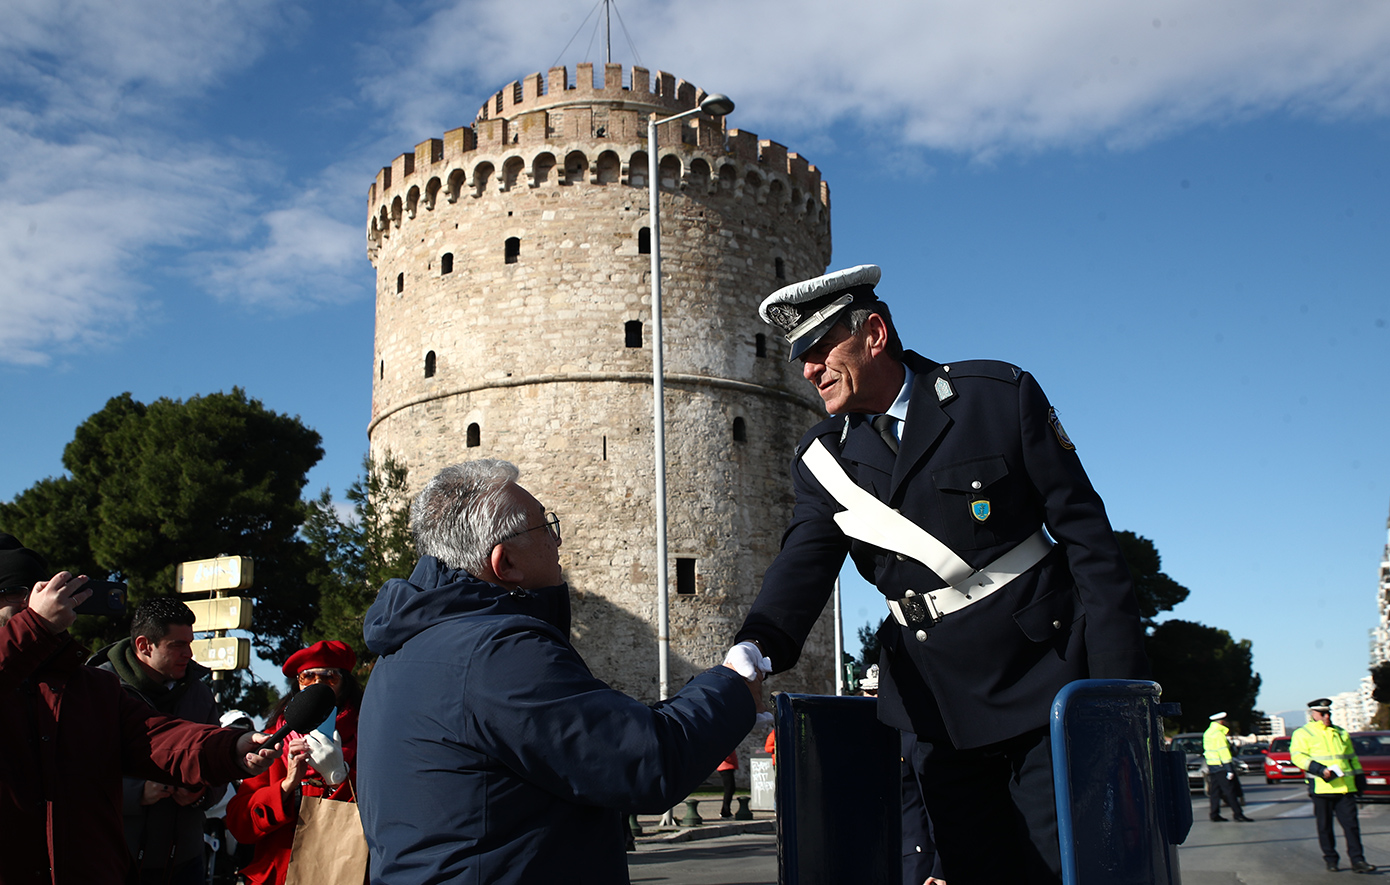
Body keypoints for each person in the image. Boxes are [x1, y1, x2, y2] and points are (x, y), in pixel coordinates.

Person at [726, 265, 1148, 885]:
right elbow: (804, 562)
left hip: (1045, 678)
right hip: (936, 706)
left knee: (1063, 865)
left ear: (874, 334)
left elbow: (1088, 539)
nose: (809, 371)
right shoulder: (821, 460)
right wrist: (755, 647)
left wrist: (1117, 693)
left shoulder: (995, 397)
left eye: (820, 350)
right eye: (803, 358)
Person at [356, 459, 760, 884]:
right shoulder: (498, 652)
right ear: (505, 563)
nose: (558, 539)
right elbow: (647, 761)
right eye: (544, 527)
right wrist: (733, 687)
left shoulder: (401, 652)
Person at [0, 532, 278, 885]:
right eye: (16, 595)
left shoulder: (91, 687)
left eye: (36, 593)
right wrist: (34, 628)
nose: (33, 604)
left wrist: (231, 747)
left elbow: (157, 737)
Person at [89, 596, 228, 885]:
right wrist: (137, 792)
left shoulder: (199, 694)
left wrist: (201, 792)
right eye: (177, 645)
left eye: (190, 643)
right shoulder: (95, 690)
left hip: (185, 861)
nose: (188, 654)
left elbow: (219, 764)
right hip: (112, 859)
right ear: (144, 645)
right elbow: (76, 774)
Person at [225, 640, 360, 885]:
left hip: (343, 872)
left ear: (345, 683)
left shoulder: (368, 734)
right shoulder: (272, 739)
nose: (318, 685)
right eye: (307, 677)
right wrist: (286, 788)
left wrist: (338, 778)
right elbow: (239, 825)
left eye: (329, 677)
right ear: (297, 685)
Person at [862, 665, 946, 885]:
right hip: (875, 855)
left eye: (879, 691)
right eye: (870, 693)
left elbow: (935, 806)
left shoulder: (911, 737)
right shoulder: (862, 741)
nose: (875, 697)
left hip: (914, 860)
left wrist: (941, 868)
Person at [1291, 698, 1377, 873]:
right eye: (1322, 713)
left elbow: (1351, 758)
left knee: (1351, 826)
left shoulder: (1341, 732)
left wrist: (1360, 777)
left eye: (1328, 713)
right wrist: (1318, 769)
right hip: (1322, 787)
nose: (1326, 716)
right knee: (1325, 826)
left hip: (1345, 787)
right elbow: (1297, 756)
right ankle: (1331, 859)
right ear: (1313, 714)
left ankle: (1358, 861)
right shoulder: (1303, 733)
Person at [1201, 711, 1251, 823]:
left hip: (1212, 766)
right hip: (1222, 766)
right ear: (1222, 722)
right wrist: (1229, 769)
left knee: (1215, 792)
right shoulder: (1219, 734)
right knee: (1230, 791)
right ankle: (1238, 814)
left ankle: (1214, 814)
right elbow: (1223, 752)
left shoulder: (1208, 732)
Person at [717, 750, 739, 819]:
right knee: (729, 789)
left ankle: (726, 810)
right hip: (725, 767)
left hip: (728, 766)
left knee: (730, 789)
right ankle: (725, 812)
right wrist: (731, 760)